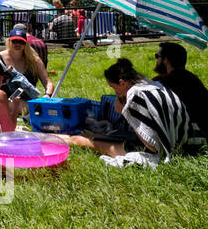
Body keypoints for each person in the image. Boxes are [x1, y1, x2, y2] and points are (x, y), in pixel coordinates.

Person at [63, 57, 200, 161]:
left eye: (114, 87)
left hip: (162, 150)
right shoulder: (151, 84)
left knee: (82, 141)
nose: (115, 92)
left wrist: (124, 111)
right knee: (99, 136)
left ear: (122, 82)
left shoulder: (135, 95)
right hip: (181, 139)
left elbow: (152, 145)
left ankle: (55, 139)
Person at [0, 26, 53, 98]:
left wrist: (48, 94)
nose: (18, 44)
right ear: (9, 41)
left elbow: (47, 81)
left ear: (26, 44)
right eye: (15, 41)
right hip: (4, 101)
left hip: (27, 102)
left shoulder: (34, 60)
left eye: (21, 42)